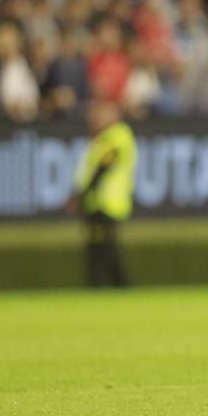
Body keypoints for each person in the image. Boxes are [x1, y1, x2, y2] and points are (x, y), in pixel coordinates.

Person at [69, 100, 138, 287]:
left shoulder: (117, 136)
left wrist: (83, 194)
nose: (94, 119)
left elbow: (102, 168)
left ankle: (119, 286)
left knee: (106, 249)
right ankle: (98, 286)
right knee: (96, 248)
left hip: (107, 203)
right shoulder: (101, 139)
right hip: (97, 203)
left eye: (100, 114)